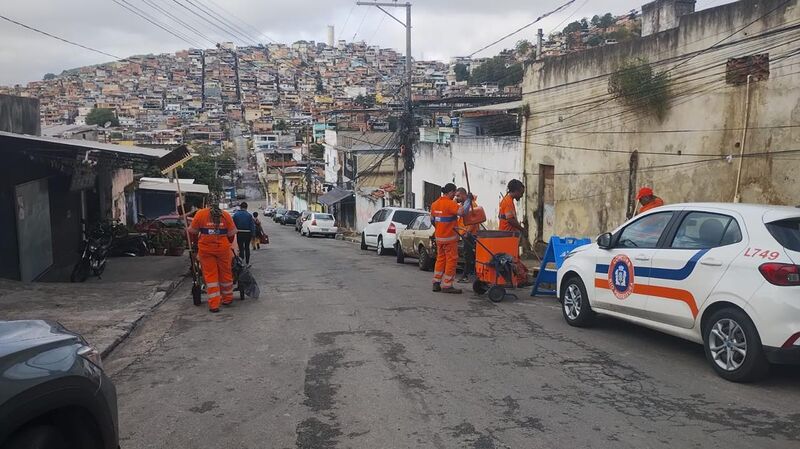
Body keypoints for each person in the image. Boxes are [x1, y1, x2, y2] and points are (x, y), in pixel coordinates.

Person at [188, 202, 237, 313]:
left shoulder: (200, 214)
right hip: (223, 249)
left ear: (208, 206)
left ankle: (214, 304)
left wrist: (195, 244)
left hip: (206, 249)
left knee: (210, 276)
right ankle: (227, 298)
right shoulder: (226, 215)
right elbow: (231, 235)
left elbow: (192, 232)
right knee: (226, 273)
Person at [431, 183, 469, 294]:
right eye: (454, 193)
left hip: (439, 238)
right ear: (451, 192)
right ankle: (447, 285)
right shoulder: (450, 204)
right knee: (451, 260)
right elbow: (462, 212)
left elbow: (432, 220)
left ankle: (436, 282)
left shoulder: (435, 204)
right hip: (450, 239)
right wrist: (468, 200)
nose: (455, 196)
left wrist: (440, 228)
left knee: (440, 259)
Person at [456, 187, 479, 283]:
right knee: (468, 255)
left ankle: (466, 275)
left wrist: (467, 232)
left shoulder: (472, 205)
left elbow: (474, 221)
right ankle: (469, 275)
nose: (457, 198)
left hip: (470, 234)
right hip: (465, 233)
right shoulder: (463, 205)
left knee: (468, 256)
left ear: (463, 195)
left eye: (458, 196)